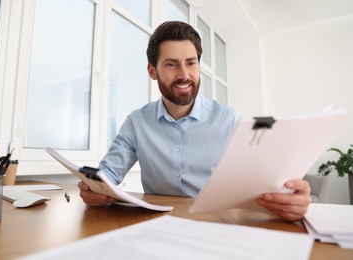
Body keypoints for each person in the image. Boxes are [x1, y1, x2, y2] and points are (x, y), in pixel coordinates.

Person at [78, 21, 311, 222]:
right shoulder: (137, 122)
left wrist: (288, 196)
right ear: (152, 71)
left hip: (217, 222)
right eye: (171, 64)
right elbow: (107, 174)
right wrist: (94, 188)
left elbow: (265, 178)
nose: (184, 74)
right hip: (158, 224)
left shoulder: (229, 121)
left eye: (191, 63)